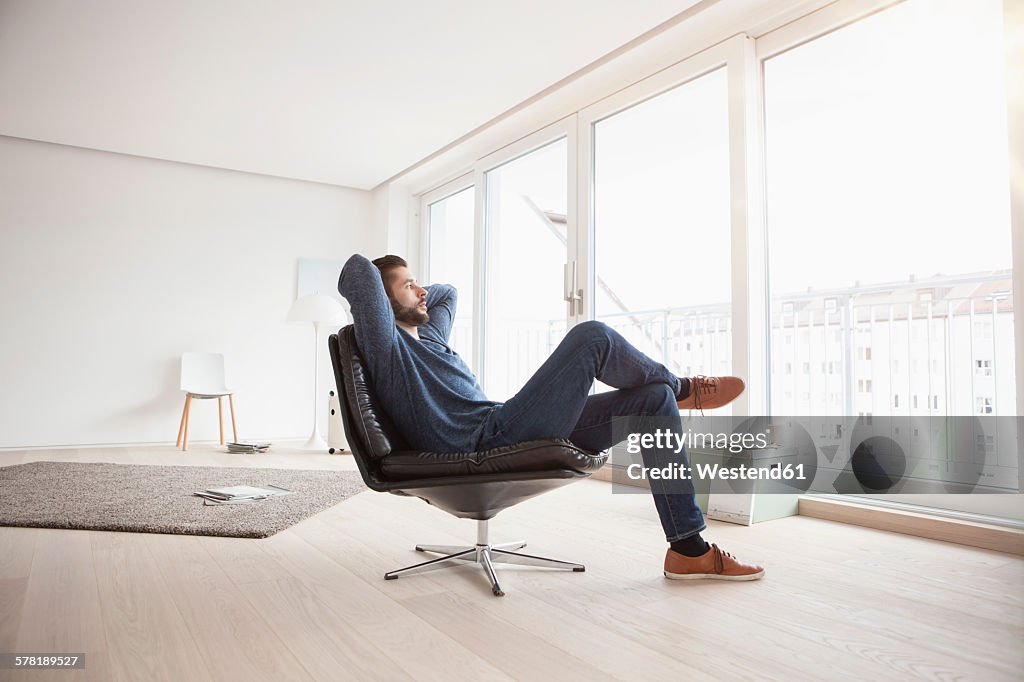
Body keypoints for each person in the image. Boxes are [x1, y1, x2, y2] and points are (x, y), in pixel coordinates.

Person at [338, 253, 764, 581]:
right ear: (382, 301)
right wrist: (388, 284)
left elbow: (447, 291)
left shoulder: (429, 334)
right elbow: (357, 270)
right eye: (409, 286)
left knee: (652, 400)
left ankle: (688, 549)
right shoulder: (388, 348)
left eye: (417, 282)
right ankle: (684, 387)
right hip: (484, 440)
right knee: (592, 336)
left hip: (503, 421)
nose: (422, 290)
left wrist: (409, 288)